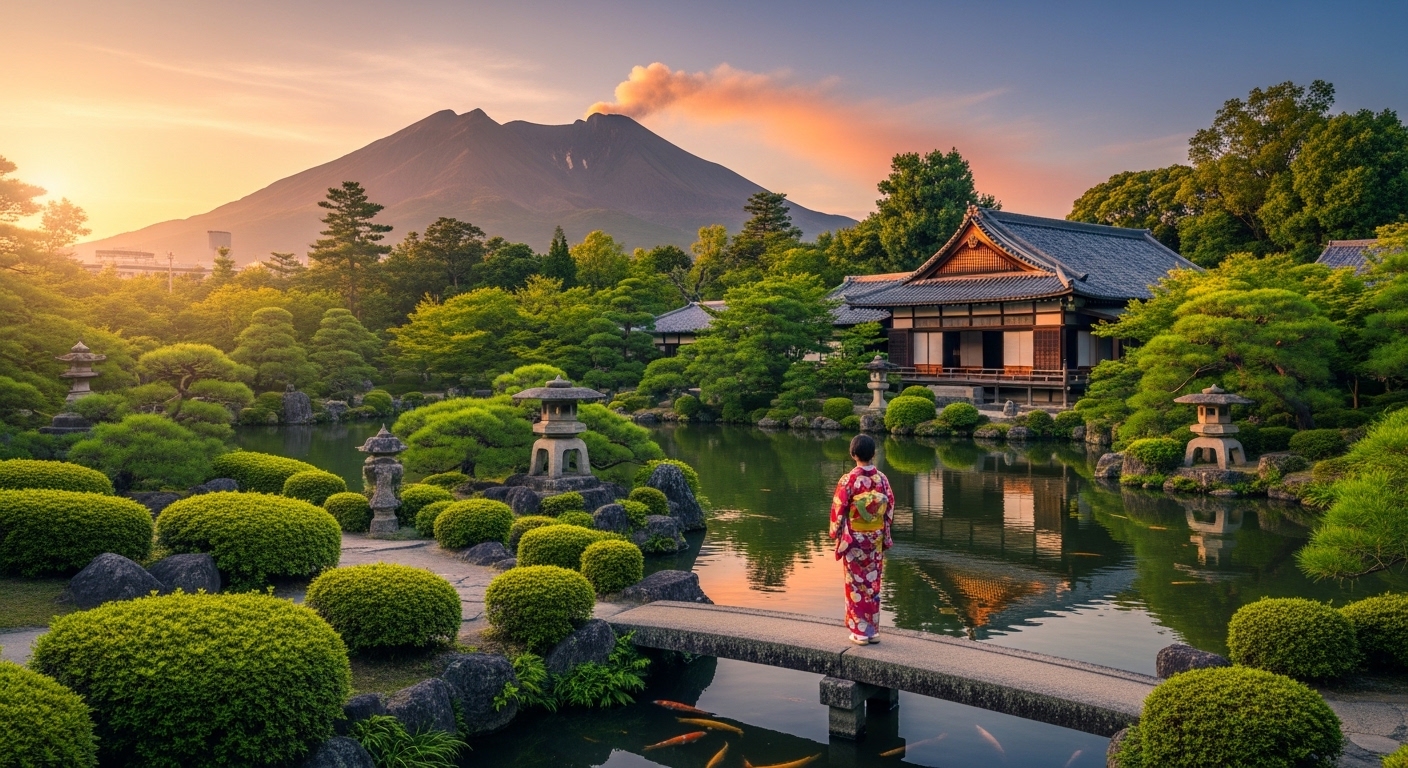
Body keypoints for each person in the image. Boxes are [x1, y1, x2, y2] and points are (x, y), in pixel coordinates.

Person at [828, 433, 895, 645]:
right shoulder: (881, 479)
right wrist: (882, 531)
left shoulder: (849, 480)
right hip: (874, 539)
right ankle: (872, 631)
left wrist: (836, 533)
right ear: (873, 453)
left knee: (856, 584)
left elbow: (838, 510)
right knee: (873, 583)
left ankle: (860, 632)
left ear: (853, 454)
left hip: (854, 540)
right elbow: (889, 507)